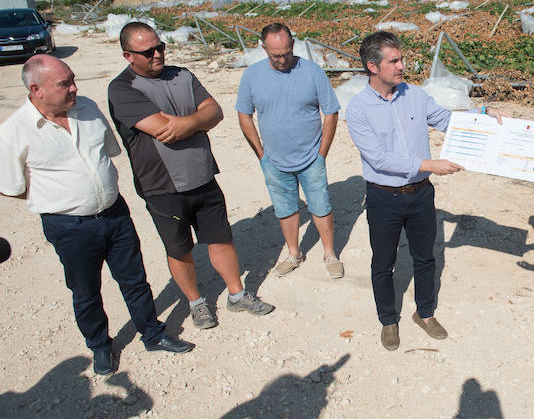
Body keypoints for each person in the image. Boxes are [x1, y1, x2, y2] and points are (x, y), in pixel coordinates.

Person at [0, 55, 194, 376]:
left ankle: (153, 334)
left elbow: (109, 152)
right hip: (69, 226)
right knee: (86, 290)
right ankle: (100, 346)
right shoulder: (14, 131)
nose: (75, 88)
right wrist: (57, 197)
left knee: (134, 279)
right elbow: (11, 186)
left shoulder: (88, 107)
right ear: (37, 89)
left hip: (115, 213)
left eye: (74, 79)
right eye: (65, 84)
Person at [345, 31, 506, 351]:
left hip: (420, 194)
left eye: (402, 58)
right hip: (384, 197)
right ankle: (388, 320)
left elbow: (447, 121)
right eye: (394, 61)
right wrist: (431, 164)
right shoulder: (358, 109)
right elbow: (379, 159)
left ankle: (425, 312)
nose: (403, 65)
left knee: (425, 257)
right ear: (372, 67)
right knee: (383, 263)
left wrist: (483, 116)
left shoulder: (415, 96)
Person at [108, 22, 274, 331]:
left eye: (161, 46)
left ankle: (237, 294)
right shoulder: (122, 89)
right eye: (149, 51)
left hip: (203, 175)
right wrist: (198, 120)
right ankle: (197, 303)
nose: (158, 54)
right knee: (179, 248)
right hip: (161, 186)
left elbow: (215, 111)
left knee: (221, 238)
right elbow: (161, 128)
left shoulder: (183, 75)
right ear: (128, 55)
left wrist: (187, 123)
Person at [236, 23, 343, 279]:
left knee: (321, 204)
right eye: (275, 55)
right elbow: (244, 115)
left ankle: (330, 253)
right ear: (264, 49)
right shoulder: (252, 76)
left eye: (286, 52)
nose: (282, 59)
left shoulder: (313, 72)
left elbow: (331, 112)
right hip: (273, 159)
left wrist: (322, 153)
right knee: (285, 208)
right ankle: (294, 253)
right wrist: (261, 154)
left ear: (293, 45)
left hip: (311, 157)